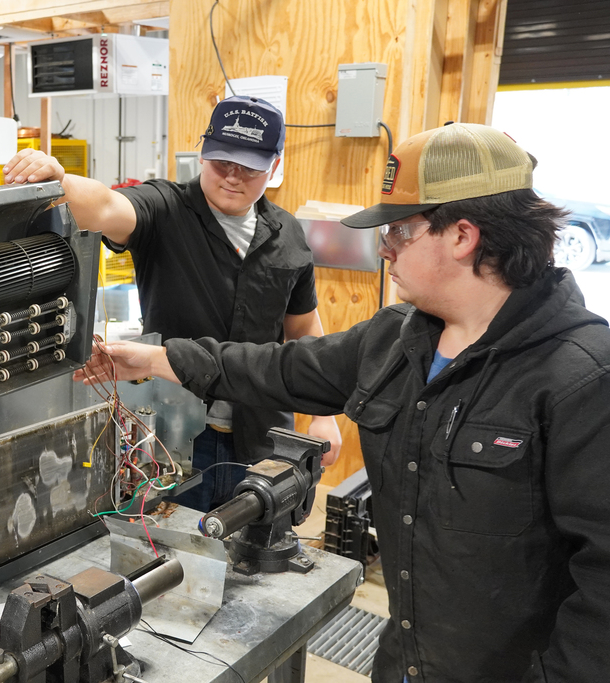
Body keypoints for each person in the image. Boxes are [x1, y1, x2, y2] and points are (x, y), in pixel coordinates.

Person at [74, 123, 610, 682]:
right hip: (404, 660)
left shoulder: (581, 377)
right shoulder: (396, 337)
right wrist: (158, 359)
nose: (384, 247)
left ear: (462, 236)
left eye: (400, 231)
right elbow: (279, 368)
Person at [3, 95, 341, 512]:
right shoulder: (165, 209)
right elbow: (106, 206)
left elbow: (303, 330)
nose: (232, 177)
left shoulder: (288, 234)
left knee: (259, 542)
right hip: (176, 441)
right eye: (222, 162)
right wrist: (61, 182)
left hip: (263, 437)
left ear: (274, 166)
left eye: (249, 167)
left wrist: (324, 414)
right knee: (171, 541)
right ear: (203, 154)